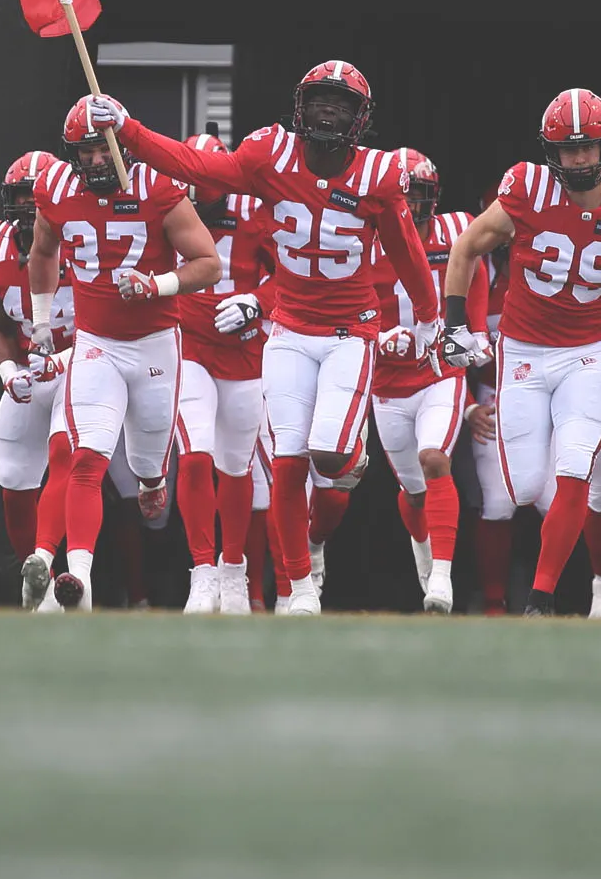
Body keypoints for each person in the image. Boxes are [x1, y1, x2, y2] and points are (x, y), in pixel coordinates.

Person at [80, 62, 441, 615]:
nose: (327, 113)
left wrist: (428, 316)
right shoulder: (269, 155)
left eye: (340, 106)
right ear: (300, 106)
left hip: (349, 332)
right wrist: (128, 132)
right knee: (289, 460)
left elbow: (407, 253)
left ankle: (347, 460)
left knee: (327, 452)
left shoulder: (377, 175)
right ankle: (298, 588)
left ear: (359, 118)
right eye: (320, 102)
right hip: (290, 331)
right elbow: (192, 163)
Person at [442, 89, 601, 617]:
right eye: (569, 150)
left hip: (588, 353)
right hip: (522, 352)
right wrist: (454, 324)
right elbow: (466, 246)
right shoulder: (527, 189)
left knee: (575, 473)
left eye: (588, 147)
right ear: (551, 152)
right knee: (521, 490)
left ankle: (540, 600)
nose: (580, 159)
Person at [23, 99, 221, 611]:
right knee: (87, 457)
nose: (92, 162)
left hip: (155, 344)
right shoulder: (57, 190)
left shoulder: (157, 187)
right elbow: (43, 252)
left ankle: (153, 481)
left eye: (100, 148)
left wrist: (158, 283)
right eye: (83, 152)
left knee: (148, 469)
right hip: (96, 345)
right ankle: (79, 578)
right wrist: (43, 322)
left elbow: (208, 264)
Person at [370, 148, 488, 613]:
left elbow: (473, 268)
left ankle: (442, 577)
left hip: (440, 370)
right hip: (387, 382)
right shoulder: (359, 239)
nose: (408, 206)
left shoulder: (455, 230)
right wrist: (379, 338)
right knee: (414, 493)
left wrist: (473, 328)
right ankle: (425, 560)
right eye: (401, 195)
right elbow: (345, 303)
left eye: (416, 195)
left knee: (434, 458)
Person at [173, 131, 276, 614]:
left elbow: (294, 273)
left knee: (235, 467)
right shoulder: (168, 202)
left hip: (243, 353)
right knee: (195, 455)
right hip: (188, 346)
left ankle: (234, 569)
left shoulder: (255, 210)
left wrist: (257, 302)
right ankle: (202, 571)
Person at [0, 150, 76, 606]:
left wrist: (66, 359)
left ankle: (86, 574)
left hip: (94, 364)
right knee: (14, 478)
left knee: (66, 453)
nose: (30, 210)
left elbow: (113, 325)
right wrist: (7, 370)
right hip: (34, 370)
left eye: (38, 200)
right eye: (22, 198)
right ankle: (42, 586)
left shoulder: (85, 239)